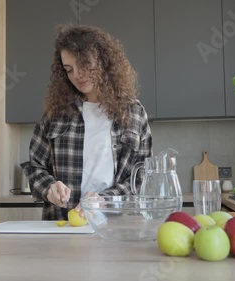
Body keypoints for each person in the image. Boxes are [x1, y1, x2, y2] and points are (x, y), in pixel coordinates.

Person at [23, 24, 153, 220]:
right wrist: (49, 188)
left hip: (116, 227)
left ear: (103, 62)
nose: (77, 75)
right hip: (62, 225)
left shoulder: (133, 113)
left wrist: (106, 199)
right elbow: (35, 167)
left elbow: (143, 176)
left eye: (85, 64)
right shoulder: (56, 114)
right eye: (69, 69)